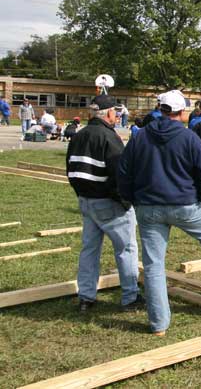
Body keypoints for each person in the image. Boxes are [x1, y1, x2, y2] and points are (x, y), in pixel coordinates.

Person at [118, 89, 201, 336]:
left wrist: (132, 198)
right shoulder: (189, 138)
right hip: (185, 204)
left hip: (148, 207)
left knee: (153, 265)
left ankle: (159, 324)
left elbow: (123, 171)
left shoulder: (139, 137)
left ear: (160, 109)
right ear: (181, 112)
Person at [67, 94, 142, 312]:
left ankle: (86, 297)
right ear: (109, 113)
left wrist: (83, 194)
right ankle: (130, 297)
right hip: (109, 204)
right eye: (116, 112)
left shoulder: (79, 136)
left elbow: (71, 171)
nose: (117, 115)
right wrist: (125, 201)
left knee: (89, 250)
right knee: (126, 249)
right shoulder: (109, 138)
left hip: (86, 201)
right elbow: (121, 174)